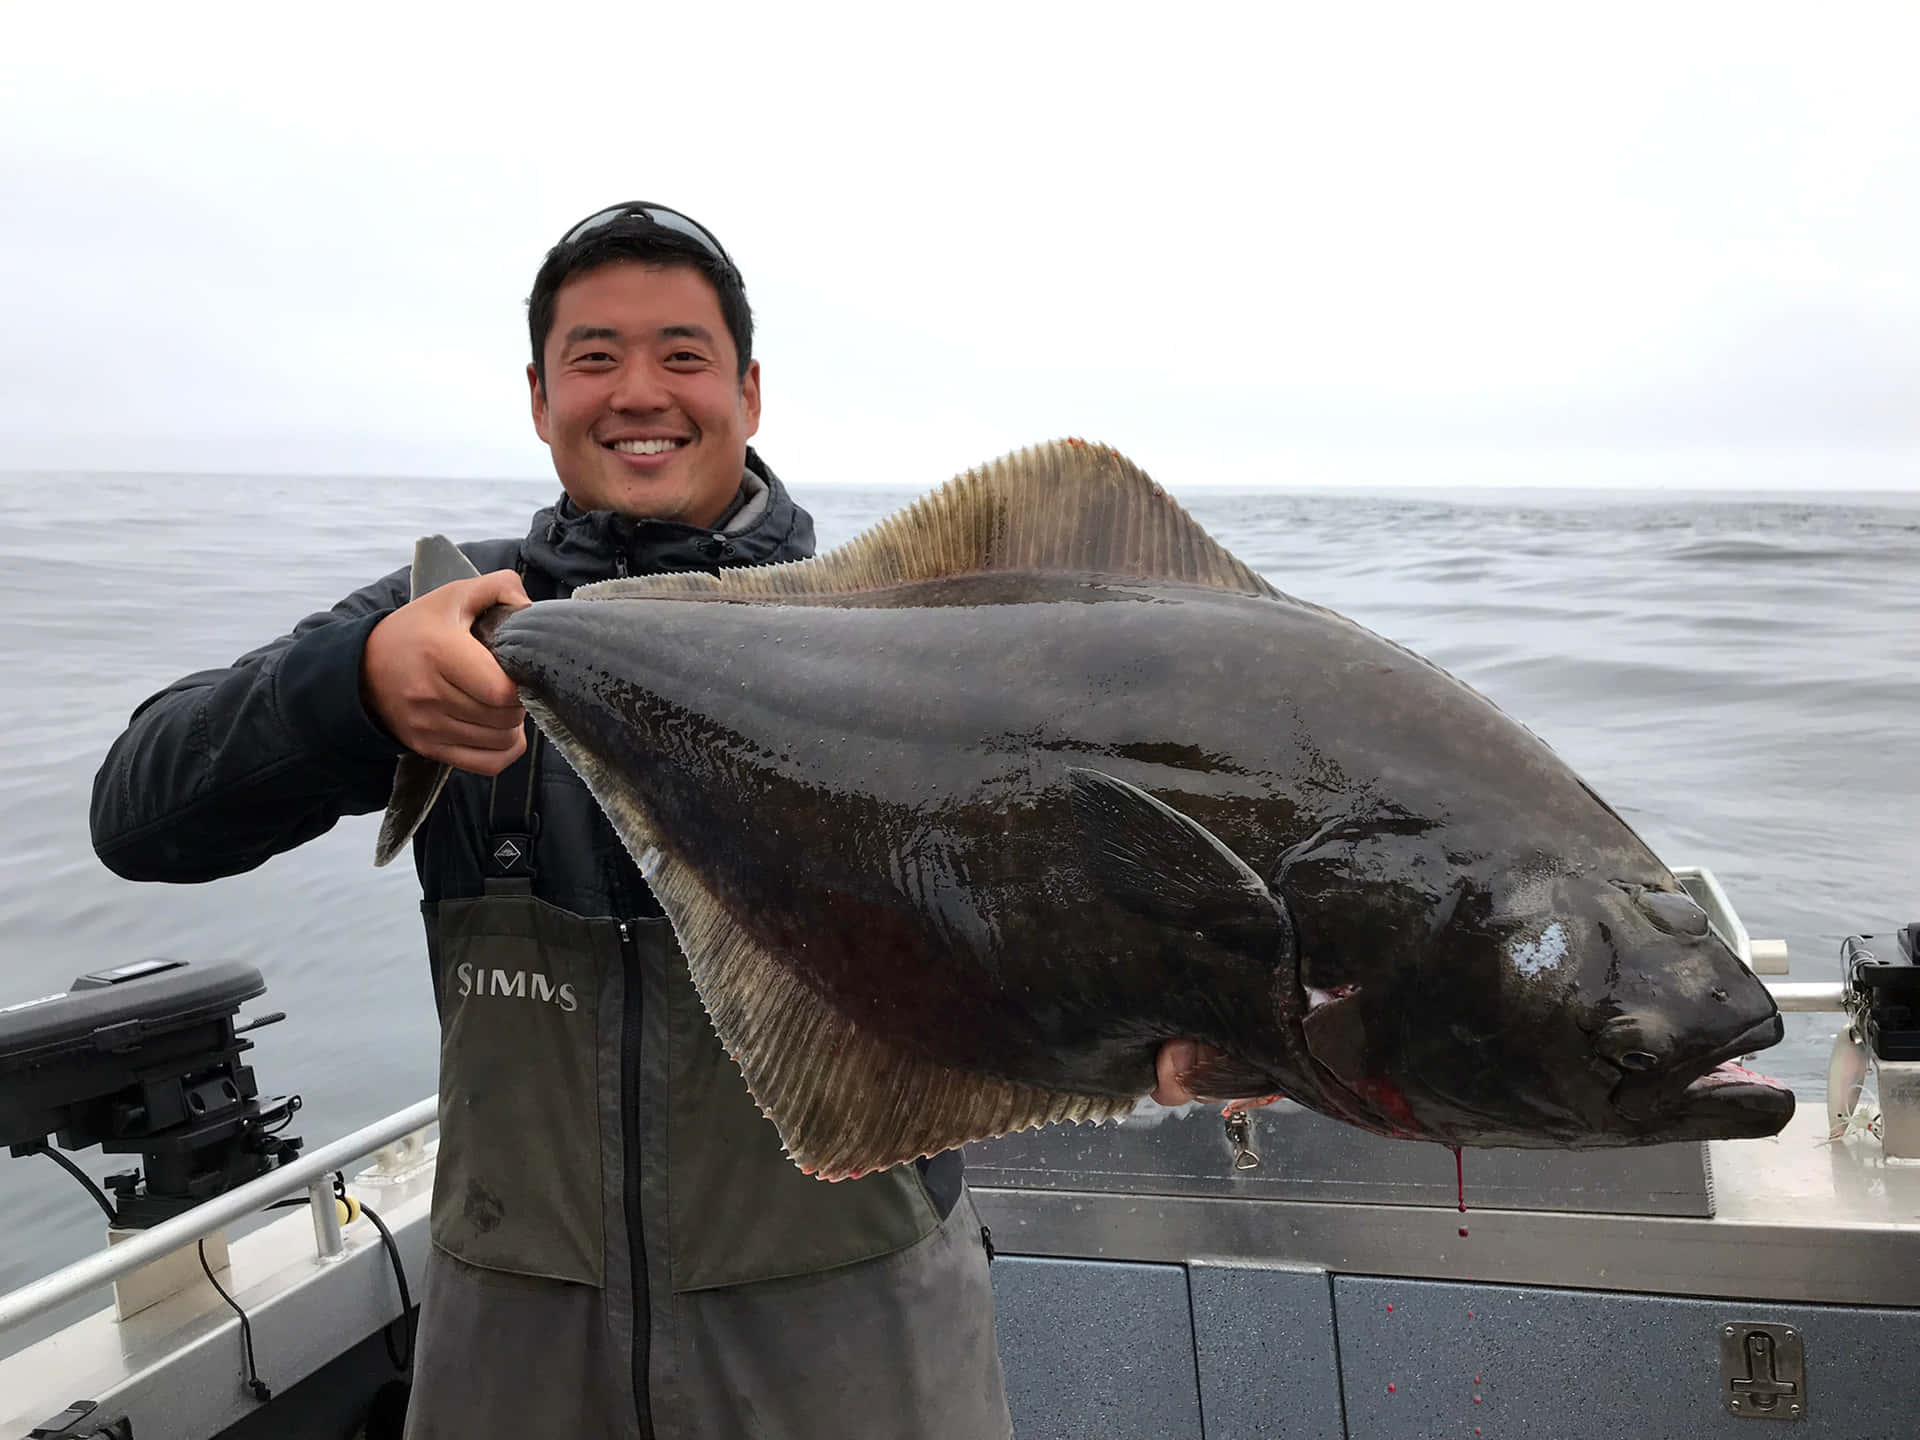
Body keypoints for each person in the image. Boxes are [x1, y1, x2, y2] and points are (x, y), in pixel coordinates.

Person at [89, 202, 1017, 1439]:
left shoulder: (888, 634)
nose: (640, 392)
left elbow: (1020, 928)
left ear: (748, 388)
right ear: (539, 397)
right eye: (595, 358)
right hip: (515, 1333)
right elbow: (142, 816)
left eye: (683, 356)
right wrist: (357, 686)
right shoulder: (453, 621)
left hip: (849, 1312)